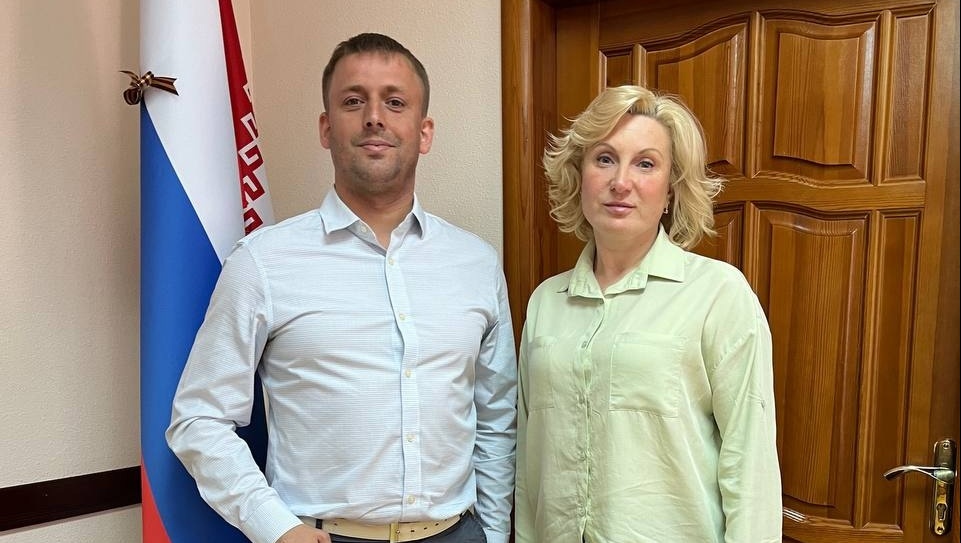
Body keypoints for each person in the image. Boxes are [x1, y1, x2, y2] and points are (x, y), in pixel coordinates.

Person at [167, 33, 517, 543]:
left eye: (395, 102)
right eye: (354, 101)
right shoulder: (263, 262)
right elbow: (198, 419)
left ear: (424, 132)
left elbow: (496, 417)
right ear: (326, 128)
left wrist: (493, 532)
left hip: (457, 532)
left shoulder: (476, 264)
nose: (374, 117)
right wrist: (275, 527)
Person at [513, 85, 781, 543]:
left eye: (645, 163)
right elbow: (529, 464)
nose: (621, 181)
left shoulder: (718, 294)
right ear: (580, 175)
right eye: (604, 159)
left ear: (671, 189)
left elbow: (750, 464)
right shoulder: (545, 302)